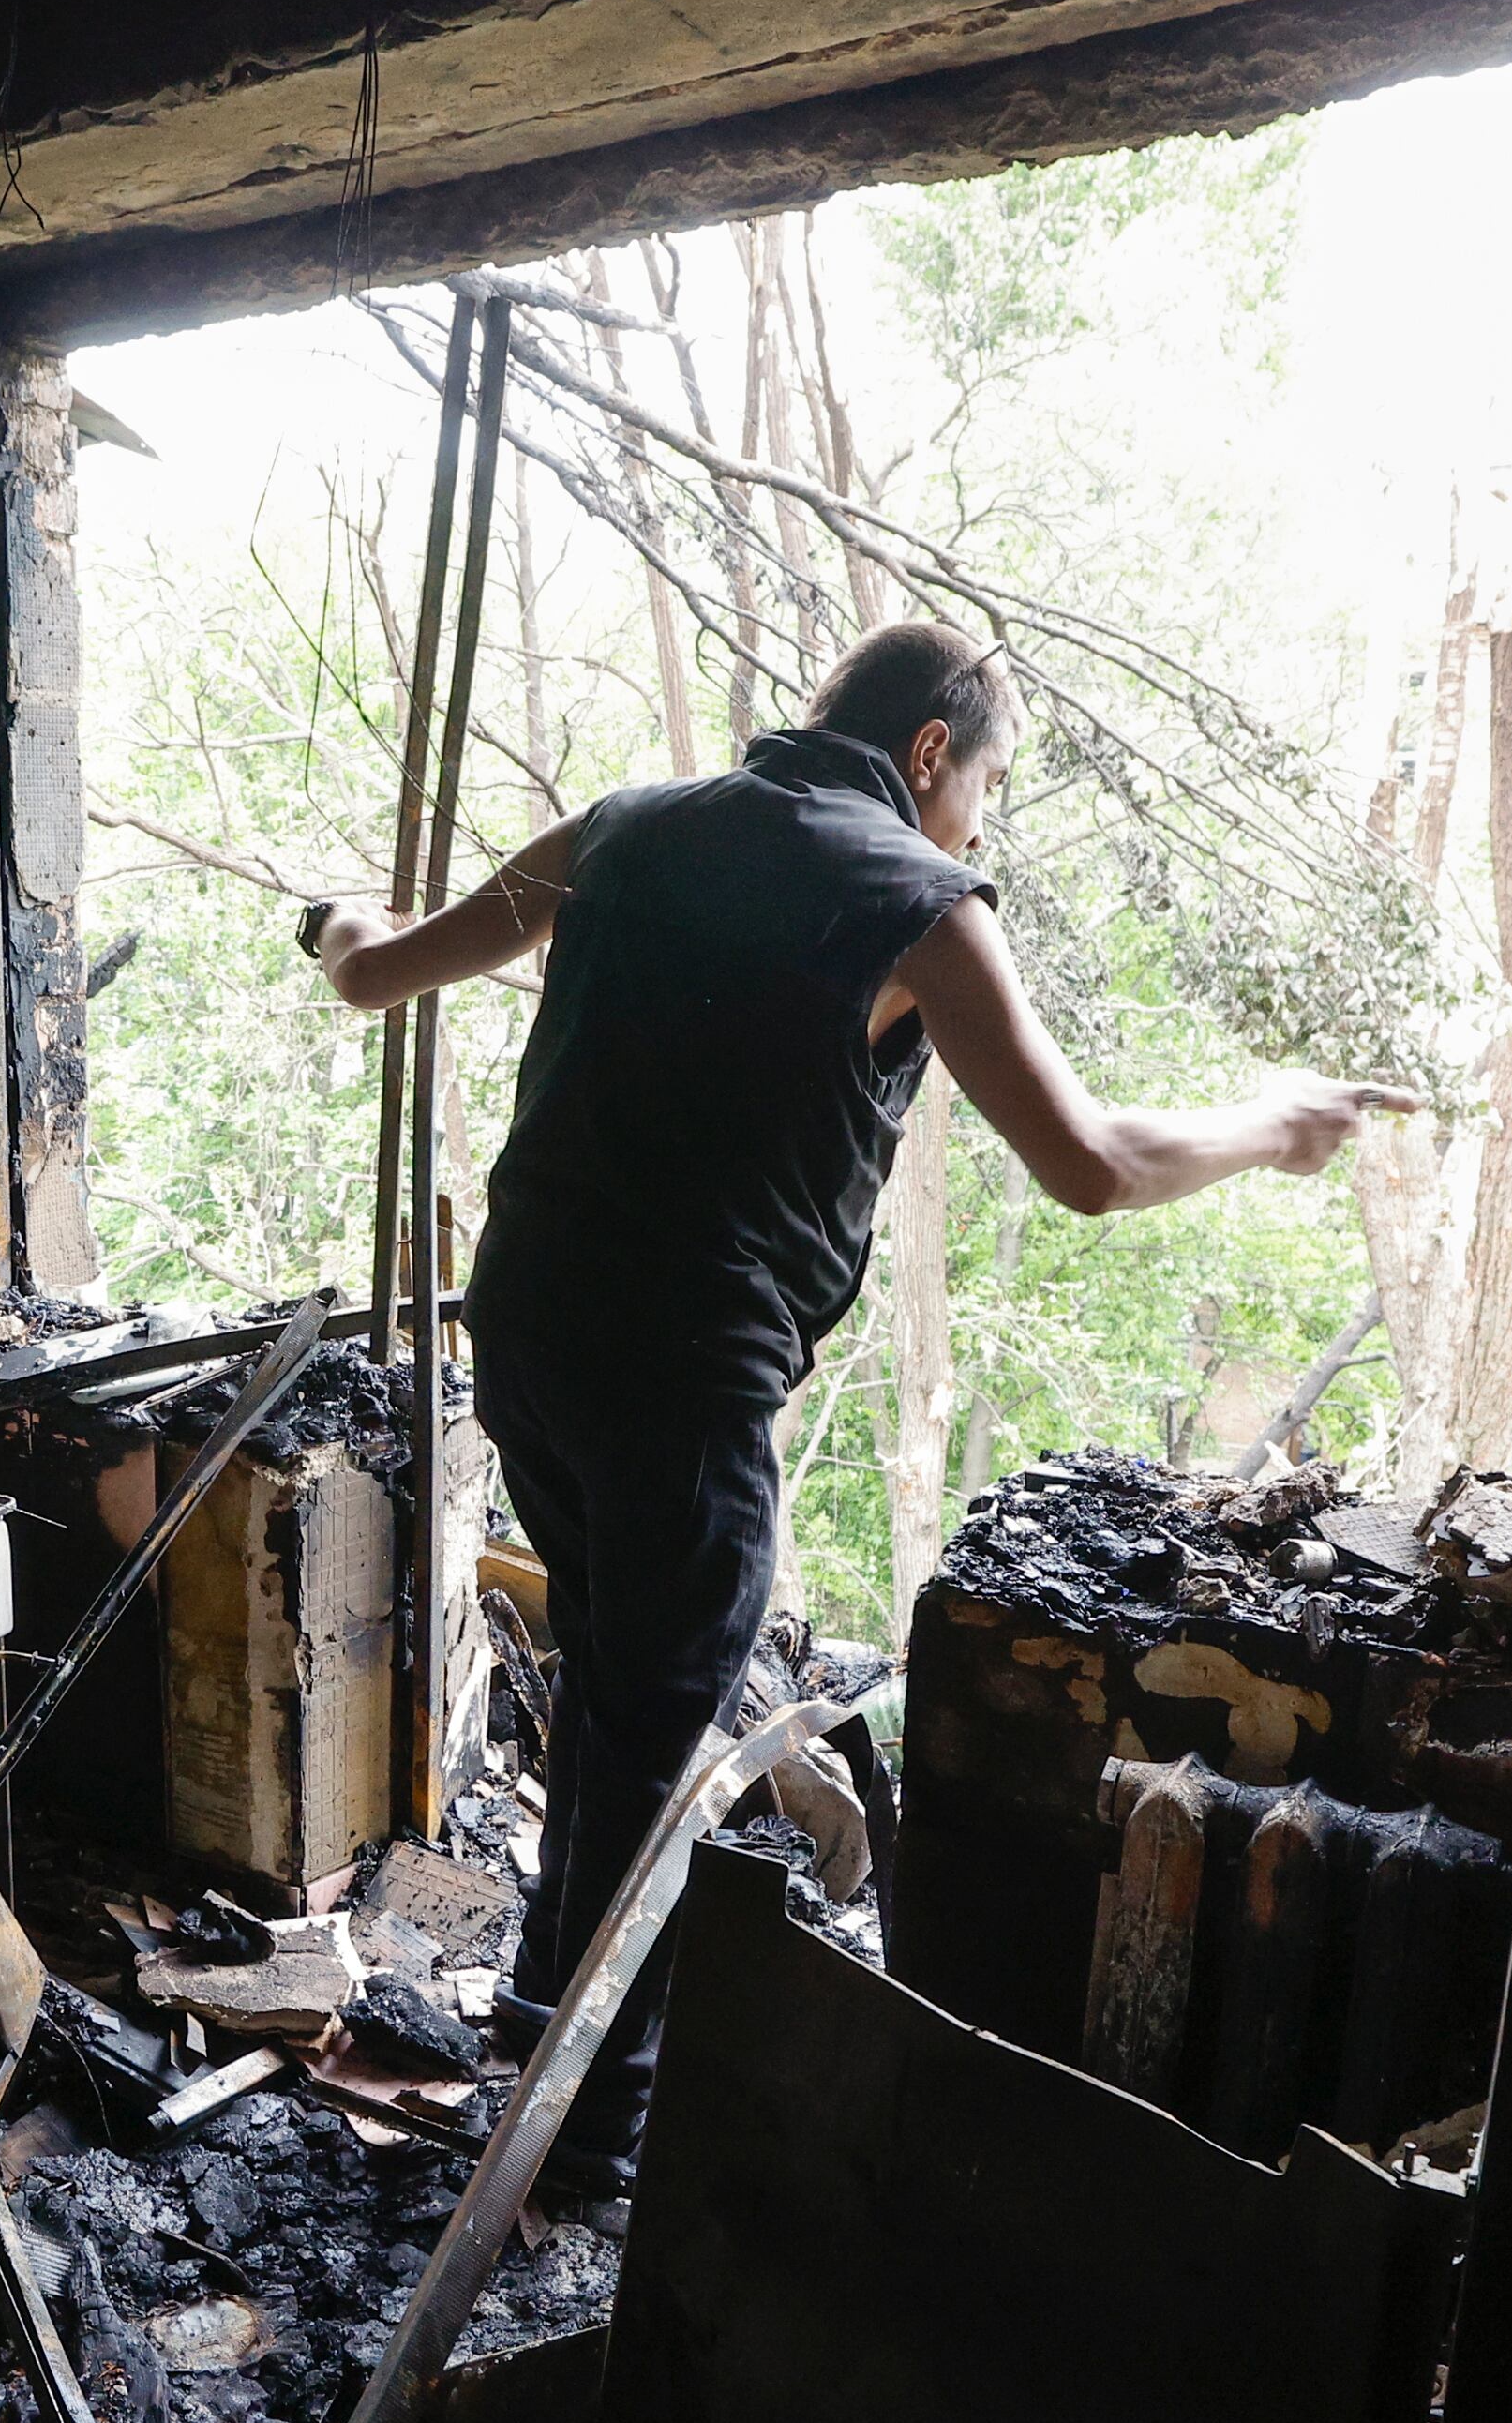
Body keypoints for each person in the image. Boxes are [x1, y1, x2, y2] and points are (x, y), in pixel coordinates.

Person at [301, 619, 1415, 2193]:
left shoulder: (624, 827)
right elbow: (1089, 1164)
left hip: (531, 1345)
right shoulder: (915, 898)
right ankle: (574, 2152)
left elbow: (375, 971)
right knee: (650, 1727)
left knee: (623, 1685)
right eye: (990, 789)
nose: (983, 826)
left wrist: (343, 918)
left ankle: (545, 2019)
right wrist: (1269, 1126)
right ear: (930, 755)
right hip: (687, 1384)